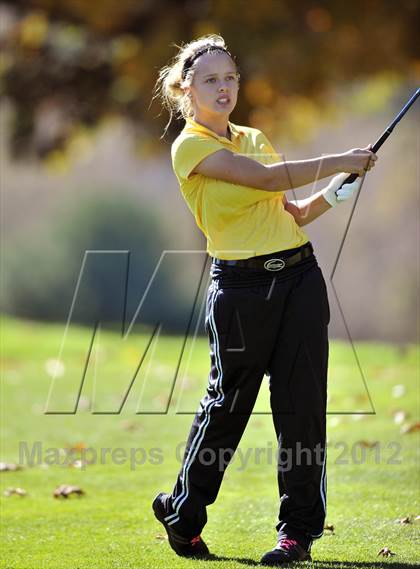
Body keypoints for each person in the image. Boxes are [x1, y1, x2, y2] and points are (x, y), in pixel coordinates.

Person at [152, 34, 377, 566]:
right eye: (211, 79)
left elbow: (290, 211)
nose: (225, 87)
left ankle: (297, 533)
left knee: (302, 412)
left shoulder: (252, 135)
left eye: (230, 77)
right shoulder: (190, 146)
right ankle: (184, 515)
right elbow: (266, 179)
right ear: (187, 88)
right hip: (241, 292)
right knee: (227, 409)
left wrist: (336, 189)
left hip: (299, 280)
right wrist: (340, 157)